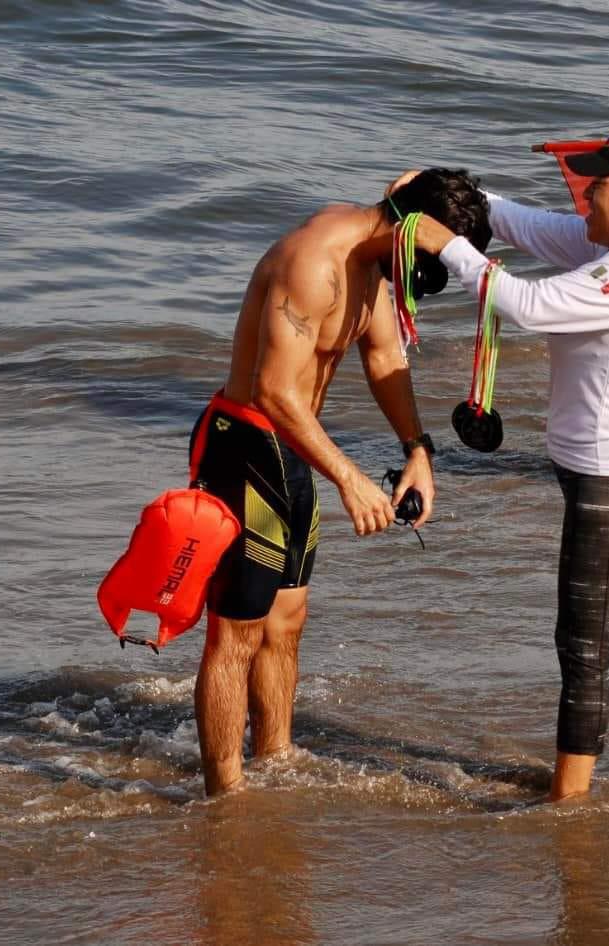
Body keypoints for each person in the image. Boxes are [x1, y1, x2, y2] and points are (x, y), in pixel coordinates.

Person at [406, 117, 609, 800]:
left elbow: (531, 305)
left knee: (582, 647)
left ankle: (567, 802)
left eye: (599, 181)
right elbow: (537, 228)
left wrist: (450, 247)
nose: (586, 193)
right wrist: (457, 200)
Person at [189, 169, 491, 795]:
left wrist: (418, 450)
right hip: (246, 449)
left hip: (297, 451)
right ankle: (225, 795)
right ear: (414, 233)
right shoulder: (314, 263)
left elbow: (383, 357)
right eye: (438, 257)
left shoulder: (372, 263)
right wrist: (352, 480)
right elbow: (274, 392)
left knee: (287, 620)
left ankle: (275, 757)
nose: (435, 276)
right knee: (237, 632)